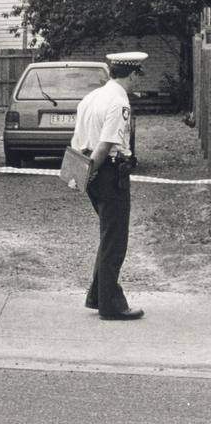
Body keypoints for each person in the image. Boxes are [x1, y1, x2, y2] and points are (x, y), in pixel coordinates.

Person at [69, 51, 147, 321]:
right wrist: (94, 171)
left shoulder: (91, 97)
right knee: (115, 241)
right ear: (133, 73)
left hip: (90, 170)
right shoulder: (119, 101)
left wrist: (81, 175)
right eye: (139, 75)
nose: (139, 81)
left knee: (108, 237)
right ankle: (111, 305)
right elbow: (105, 144)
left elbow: (77, 140)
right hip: (108, 171)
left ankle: (97, 296)